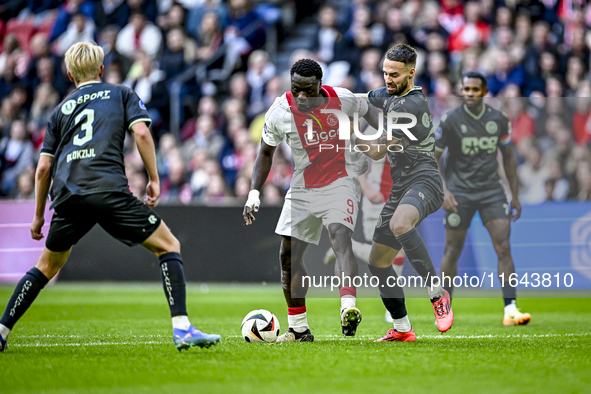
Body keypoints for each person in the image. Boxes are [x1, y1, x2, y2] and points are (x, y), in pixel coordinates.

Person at [0, 42, 220, 353]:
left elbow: (43, 167)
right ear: (101, 70)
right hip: (108, 189)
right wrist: (154, 178)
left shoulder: (60, 110)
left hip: (68, 196)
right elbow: (142, 133)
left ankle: (1, 330)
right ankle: (182, 327)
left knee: (46, 266)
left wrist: (39, 214)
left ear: (69, 74)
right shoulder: (120, 93)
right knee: (168, 246)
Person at [243, 58, 369, 341]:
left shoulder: (344, 99)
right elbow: (265, 152)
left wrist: (371, 140)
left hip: (341, 180)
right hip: (302, 187)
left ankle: (348, 307)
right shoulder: (280, 111)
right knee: (288, 255)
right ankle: (298, 329)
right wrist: (254, 192)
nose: (301, 96)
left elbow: (370, 109)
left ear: (320, 86)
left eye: (308, 91)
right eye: (295, 89)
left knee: (340, 236)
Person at [354, 44, 454, 342]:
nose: (387, 79)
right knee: (378, 262)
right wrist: (333, 98)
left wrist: (348, 130)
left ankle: (437, 293)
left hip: (424, 180)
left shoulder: (409, 106)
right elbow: (364, 99)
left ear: (411, 73)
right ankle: (401, 328)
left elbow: (373, 152)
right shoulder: (392, 93)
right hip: (401, 187)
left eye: (394, 75)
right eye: (385, 72)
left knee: (400, 225)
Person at [434, 71, 531, 326]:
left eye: (475, 90)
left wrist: (515, 195)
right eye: (466, 89)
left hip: (491, 192)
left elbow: (508, 158)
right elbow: (433, 157)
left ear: (484, 92)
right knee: (452, 251)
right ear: (461, 91)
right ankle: (445, 309)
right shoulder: (450, 120)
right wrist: (443, 190)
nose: (470, 94)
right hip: (460, 193)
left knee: (504, 248)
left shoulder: (498, 120)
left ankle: (510, 308)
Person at [322, 153, 407, 324]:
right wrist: (367, 190)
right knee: (391, 253)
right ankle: (392, 308)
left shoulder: (407, 132)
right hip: (379, 200)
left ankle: (349, 247)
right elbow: (355, 159)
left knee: (395, 253)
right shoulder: (377, 131)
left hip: (398, 199)